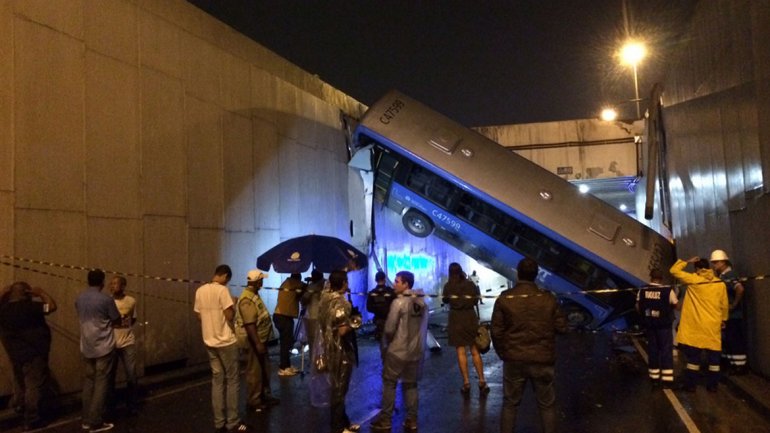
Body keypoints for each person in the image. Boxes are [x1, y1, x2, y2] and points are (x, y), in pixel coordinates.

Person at [491, 258, 567, 433]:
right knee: (547, 405)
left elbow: (496, 331)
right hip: (543, 360)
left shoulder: (505, 298)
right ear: (536, 275)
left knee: (510, 404)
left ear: (518, 274)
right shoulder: (549, 299)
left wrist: (504, 353)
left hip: (514, 359)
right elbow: (562, 327)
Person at [370, 271, 429, 432]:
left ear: (406, 284)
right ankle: (412, 419)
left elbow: (389, 328)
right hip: (415, 352)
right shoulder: (422, 302)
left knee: (389, 383)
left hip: (398, 350)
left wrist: (387, 343)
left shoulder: (399, 303)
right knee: (410, 385)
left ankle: (386, 419)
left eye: (397, 281)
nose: (394, 284)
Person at [194, 264, 250, 433]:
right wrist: (232, 303)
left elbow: (198, 315)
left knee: (217, 380)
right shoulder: (222, 290)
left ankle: (219, 422)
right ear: (225, 276)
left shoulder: (200, 290)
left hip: (209, 341)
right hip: (226, 341)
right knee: (232, 380)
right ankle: (232, 421)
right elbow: (229, 316)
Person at [0, 282, 57, 431]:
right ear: (27, 293)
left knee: (20, 383)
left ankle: (19, 406)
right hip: (34, 353)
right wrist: (41, 293)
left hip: (15, 354)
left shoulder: (4, 310)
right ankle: (32, 418)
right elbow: (51, 306)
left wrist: (2, 293)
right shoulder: (31, 307)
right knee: (34, 386)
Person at [669, 257, 729, 392]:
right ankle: (713, 386)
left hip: (696, 326)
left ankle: (691, 385)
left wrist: (686, 261)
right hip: (712, 326)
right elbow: (724, 305)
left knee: (693, 360)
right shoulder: (720, 283)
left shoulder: (693, 279)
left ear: (696, 269)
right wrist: (723, 320)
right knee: (714, 361)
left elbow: (673, 270)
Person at [75, 269, 121, 433]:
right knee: (102, 383)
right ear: (102, 282)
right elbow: (116, 319)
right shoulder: (106, 299)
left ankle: (86, 419)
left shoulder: (80, 298)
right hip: (103, 346)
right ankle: (96, 421)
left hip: (87, 346)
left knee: (89, 382)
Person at [318, 270, 360, 433]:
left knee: (336, 387)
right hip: (340, 351)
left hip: (329, 347)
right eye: (346, 281)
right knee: (339, 389)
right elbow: (342, 330)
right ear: (343, 283)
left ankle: (344, 423)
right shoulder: (340, 303)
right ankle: (338, 427)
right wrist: (355, 322)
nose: (347, 284)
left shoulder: (324, 299)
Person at [442, 262, 487, 397]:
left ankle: (466, 382)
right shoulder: (470, 284)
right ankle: (481, 380)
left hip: (456, 320)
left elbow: (445, 300)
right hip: (470, 318)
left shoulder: (448, 286)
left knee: (461, 352)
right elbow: (475, 301)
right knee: (475, 351)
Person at [236, 269, 279, 412]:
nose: (263, 282)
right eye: (261, 280)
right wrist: (257, 343)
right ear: (257, 281)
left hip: (261, 339)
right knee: (254, 371)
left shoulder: (254, 294)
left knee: (263, 369)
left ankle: (263, 395)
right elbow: (250, 324)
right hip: (255, 340)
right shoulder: (247, 299)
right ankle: (254, 401)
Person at [635, 269, 678, 387]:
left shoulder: (643, 289)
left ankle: (654, 378)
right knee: (665, 351)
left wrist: (645, 316)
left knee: (653, 350)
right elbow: (675, 304)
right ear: (661, 278)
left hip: (650, 325)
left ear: (651, 277)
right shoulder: (667, 290)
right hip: (664, 326)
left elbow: (638, 306)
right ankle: (667, 380)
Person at [709, 249, 748, 375]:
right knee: (728, 340)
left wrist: (734, 305)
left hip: (733, 316)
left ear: (723, 262)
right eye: (713, 263)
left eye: (716, 262)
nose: (714, 265)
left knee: (735, 339)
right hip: (726, 316)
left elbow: (740, 289)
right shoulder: (722, 276)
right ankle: (732, 364)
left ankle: (740, 366)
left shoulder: (730, 275)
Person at [108, 276, 138, 415]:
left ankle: (132, 404)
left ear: (123, 285)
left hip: (127, 342)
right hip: (111, 342)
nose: (113, 286)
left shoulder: (131, 301)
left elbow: (133, 318)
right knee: (110, 375)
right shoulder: (107, 302)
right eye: (111, 283)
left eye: (116, 283)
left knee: (131, 374)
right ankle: (111, 405)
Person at [273, 273, 303, 376]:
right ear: (298, 278)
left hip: (280, 315)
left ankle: (287, 365)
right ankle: (283, 368)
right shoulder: (295, 283)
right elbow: (305, 288)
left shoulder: (286, 283)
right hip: (283, 317)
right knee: (286, 344)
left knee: (286, 343)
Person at [300, 269, 326, 361]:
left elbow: (304, 300)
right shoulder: (327, 285)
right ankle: (324, 360)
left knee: (313, 340)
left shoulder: (312, 286)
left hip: (313, 316)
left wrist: (304, 291)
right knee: (324, 340)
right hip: (325, 316)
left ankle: (315, 361)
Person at [365, 270, 394, 350]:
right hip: (390, 320)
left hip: (379, 320)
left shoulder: (372, 293)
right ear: (384, 279)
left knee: (382, 343)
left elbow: (369, 307)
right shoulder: (390, 291)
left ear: (375, 280)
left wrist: (377, 310)